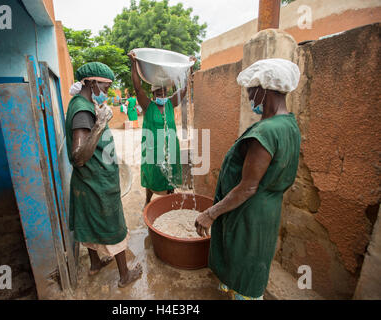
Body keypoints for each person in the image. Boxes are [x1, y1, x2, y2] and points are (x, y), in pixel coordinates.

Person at [194, 58, 301, 300]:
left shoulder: (266, 132)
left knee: (244, 270)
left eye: (251, 91)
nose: (249, 96)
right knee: (250, 262)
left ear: (264, 89)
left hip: (248, 214)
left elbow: (248, 187)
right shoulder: (288, 125)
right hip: (266, 210)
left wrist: (210, 213)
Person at [66, 62, 142, 288]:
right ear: (90, 82)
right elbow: (79, 156)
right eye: (105, 87)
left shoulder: (83, 104)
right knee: (114, 226)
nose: (107, 92)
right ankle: (124, 275)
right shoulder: (82, 109)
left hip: (91, 179)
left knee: (88, 222)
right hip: (96, 182)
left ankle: (95, 264)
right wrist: (100, 124)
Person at [128, 50, 195, 206]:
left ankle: (169, 198)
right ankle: (147, 200)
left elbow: (184, 89)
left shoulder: (171, 103)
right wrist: (133, 63)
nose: (162, 94)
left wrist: (189, 69)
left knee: (171, 172)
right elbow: (138, 89)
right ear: (153, 94)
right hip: (152, 148)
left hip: (171, 147)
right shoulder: (147, 106)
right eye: (159, 92)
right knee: (152, 174)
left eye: (164, 91)